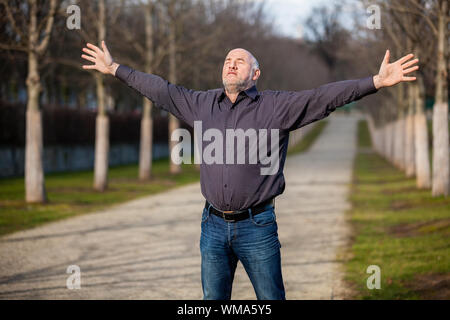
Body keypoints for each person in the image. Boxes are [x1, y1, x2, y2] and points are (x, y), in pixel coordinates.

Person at [81, 41, 419, 300]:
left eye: (239, 61)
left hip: (258, 227)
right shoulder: (200, 104)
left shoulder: (275, 107)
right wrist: (114, 69)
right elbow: (160, 89)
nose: (231, 64)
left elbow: (324, 97)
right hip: (211, 226)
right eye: (227, 60)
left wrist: (374, 81)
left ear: (254, 74)